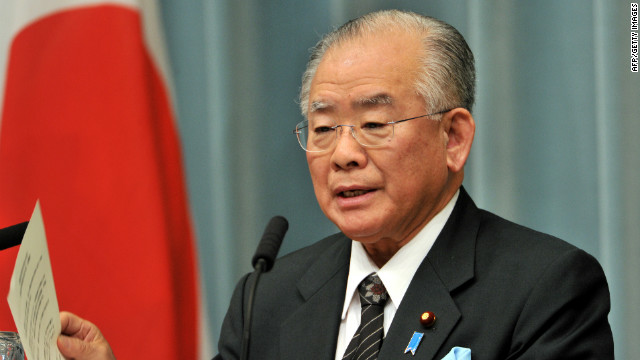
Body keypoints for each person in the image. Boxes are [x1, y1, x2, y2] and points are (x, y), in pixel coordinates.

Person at [57, 9, 614, 360]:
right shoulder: (267, 298)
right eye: (324, 128)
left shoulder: (546, 289)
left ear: (454, 138)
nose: (343, 154)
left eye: (374, 125)